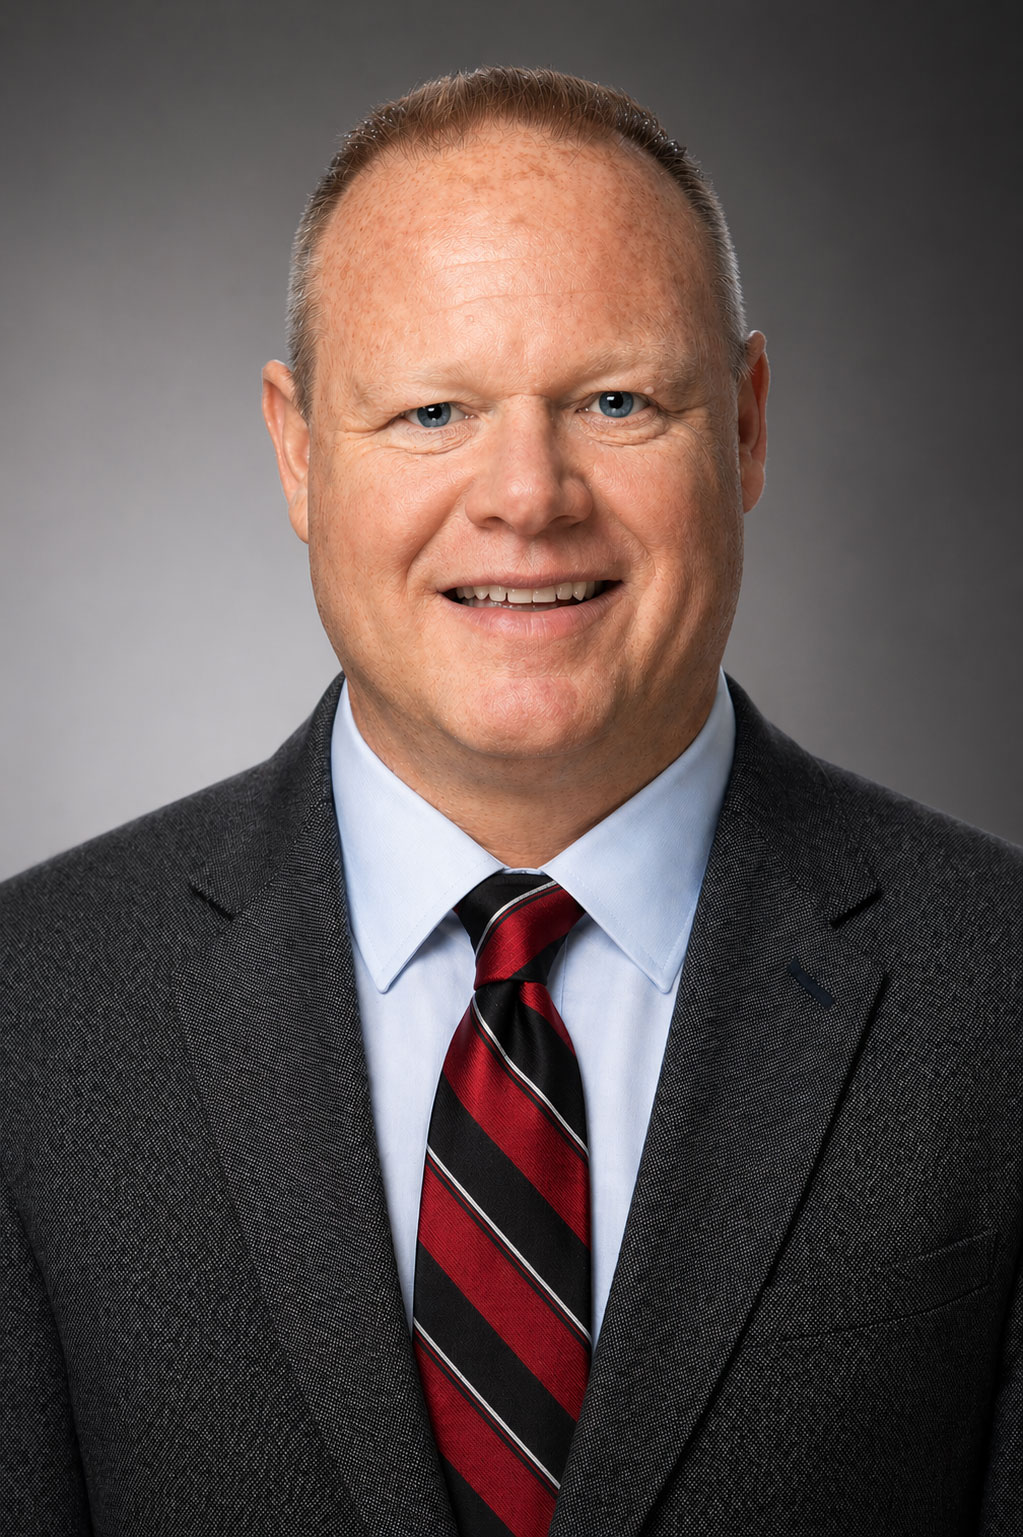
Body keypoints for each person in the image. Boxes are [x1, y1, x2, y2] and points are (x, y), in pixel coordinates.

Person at [1, 65, 1019, 1537]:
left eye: (616, 401)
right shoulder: (32, 1015)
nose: (529, 496)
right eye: (433, 411)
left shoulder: (996, 992)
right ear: (298, 451)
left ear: (745, 426)